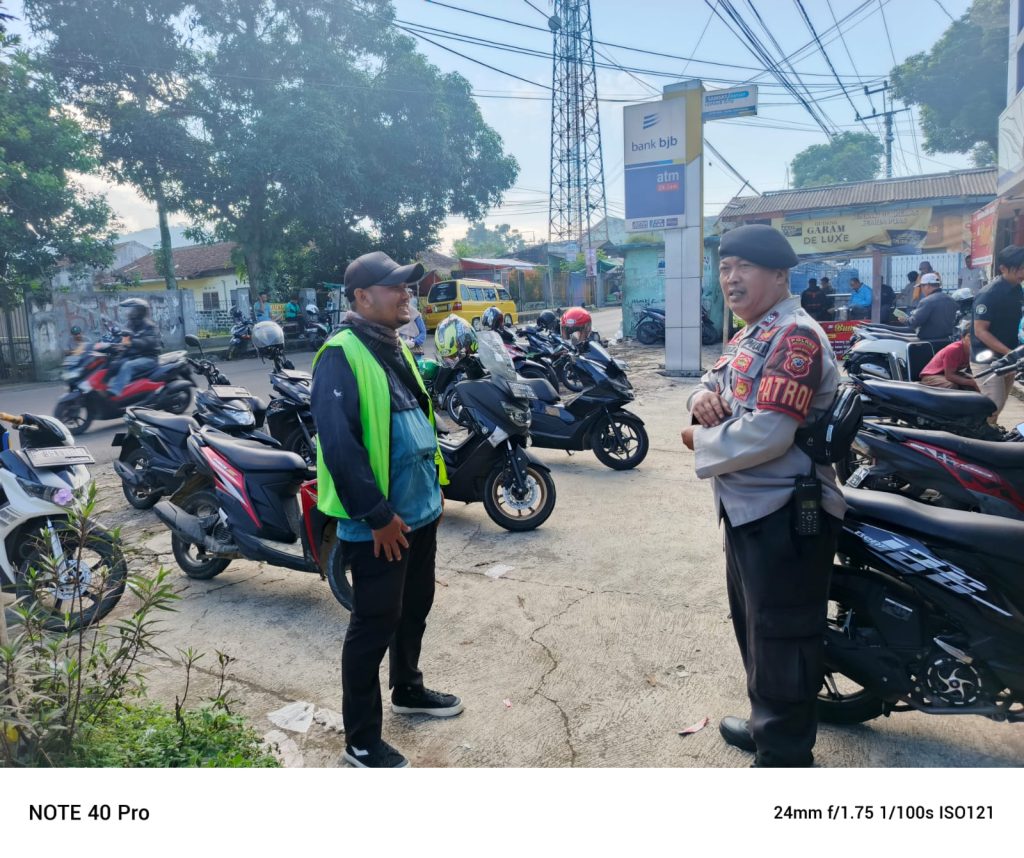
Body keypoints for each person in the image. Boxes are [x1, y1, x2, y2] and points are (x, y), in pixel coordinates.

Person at [681, 224, 846, 768]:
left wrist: (699, 438)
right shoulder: (752, 332)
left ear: (779, 274)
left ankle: (786, 758)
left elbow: (770, 432)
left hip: (786, 513)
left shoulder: (794, 335)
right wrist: (702, 395)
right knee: (756, 630)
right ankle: (767, 725)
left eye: (743, 267)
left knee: (783, 641)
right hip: (748, 508)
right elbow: (716, 380)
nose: (730, 277)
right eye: (725, 267)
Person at [310, 250, 459, 769]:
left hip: (420, 513)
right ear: (361, 298)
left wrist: (433, 501)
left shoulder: (392, 346)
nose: (406, 295)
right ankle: (360, 741)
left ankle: (408, 689)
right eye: (395, 287)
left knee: (413, 609)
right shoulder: (341, 354)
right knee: (373, 625)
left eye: (408, 287)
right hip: (381, 524)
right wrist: (376, 515)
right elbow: (339, 444)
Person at [970, 244, 1024, 421]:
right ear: (1003, 268)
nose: (1023, 272)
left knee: (998, 407)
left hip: (1008, 359)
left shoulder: (1017, 290)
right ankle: (976, 442)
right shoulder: (989, 294)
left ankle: (990, 436)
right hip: (986, 359)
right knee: (993, 405)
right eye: (1019, 268)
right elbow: (980, 332)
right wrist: (1010, 353)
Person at [876, 273, 956, 344]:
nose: (921, 290)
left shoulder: (927, 301)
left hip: (928, 341)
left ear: (927, 286)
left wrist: (905, 320)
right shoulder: (951, 300)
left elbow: (914, 323)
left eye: (921, 287)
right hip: (947, 340)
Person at [108, 298, 161, 397]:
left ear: (141, 311)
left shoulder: (149, 326)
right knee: (114, 363)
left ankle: (115, 392)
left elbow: (148, 342)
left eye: (133, 310)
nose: (130, 312)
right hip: (135, 356)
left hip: (149, 358)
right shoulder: (131, 324)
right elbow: (125, 339)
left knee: (128, 365)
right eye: (130, 310)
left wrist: (132, 342)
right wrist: (117, 343)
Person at [919, 323, 979, 391]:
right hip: (931, 376)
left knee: (980, 383)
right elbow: (950, 376)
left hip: (950, 374)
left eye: (977, 337)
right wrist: (971, 382)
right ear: (963, 338)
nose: (973, 340)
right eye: (970, 336)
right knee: (951, 386)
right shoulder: (954, 349)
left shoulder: (977, 351)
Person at [397, 289, 427, 355]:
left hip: (415, 352)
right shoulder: (394, 315)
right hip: (401, 353)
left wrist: (414, 341)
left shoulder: (415, 314)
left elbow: (423, 332)